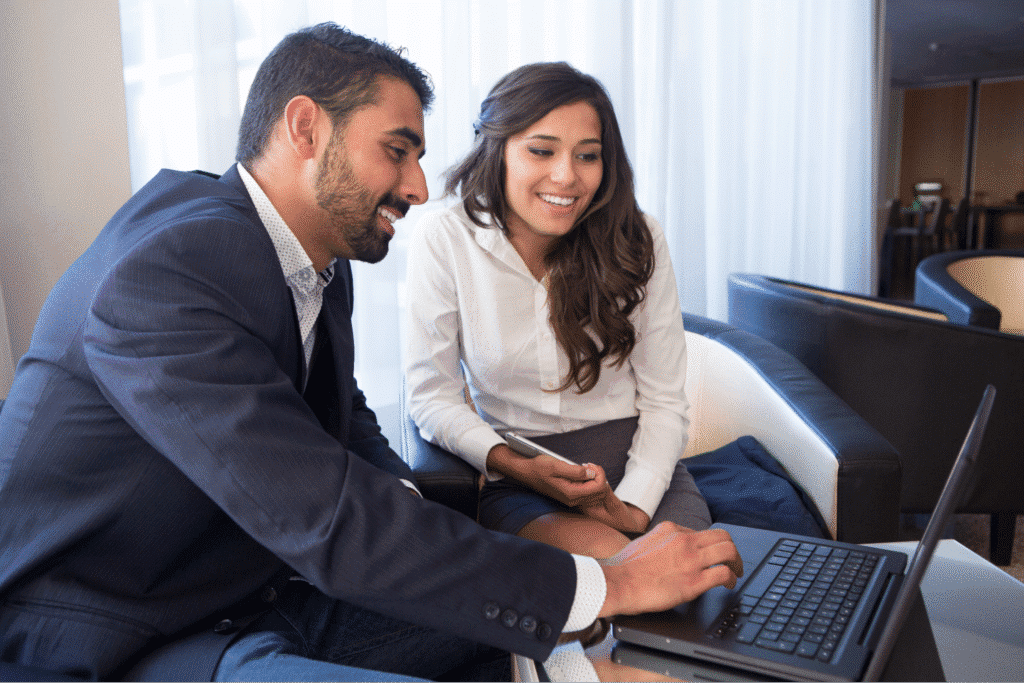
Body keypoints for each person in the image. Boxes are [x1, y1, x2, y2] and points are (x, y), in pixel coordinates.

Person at [0, 25, 741, 682]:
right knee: (571, 606)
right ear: (305, 128)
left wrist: (413, 511)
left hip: (258, 588)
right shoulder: (174, 268)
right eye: (397, 151)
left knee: (576, 640)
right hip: (128, 633)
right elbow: (328, 517)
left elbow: (345, 420)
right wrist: (609, 582)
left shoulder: (313, 258)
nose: (417, 186)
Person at [405, 62, 711, 561]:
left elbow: (664, 401)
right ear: (497, 149)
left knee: (700, 581)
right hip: (524, 476)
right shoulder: (445, 239)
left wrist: (633, 506)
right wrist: (516, 466)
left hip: (638, 466)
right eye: (542, 151)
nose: (567, 176)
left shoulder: (638, 237)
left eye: (587, 155)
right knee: (616, 568)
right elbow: (431, 398)